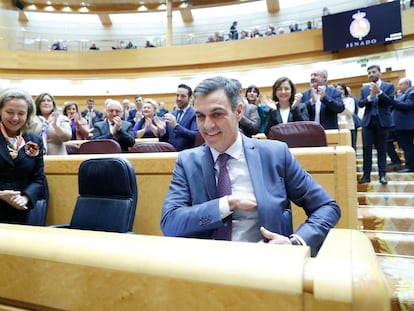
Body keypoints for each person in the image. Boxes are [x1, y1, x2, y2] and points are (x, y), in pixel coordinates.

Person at [160, 76, 341, 257]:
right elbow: (170, 223)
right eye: (200, 116)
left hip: (264, 267)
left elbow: (326, 207)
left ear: (238, 112)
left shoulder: (275, 154)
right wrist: (228, 203)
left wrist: (295, 242)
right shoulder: (187, 161)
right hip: (206, 269)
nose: (207, 125)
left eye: (217, 114)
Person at [0, 87, 47, 224]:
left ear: (28, 114)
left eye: (21, 113)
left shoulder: (34, 140)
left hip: (20, 214)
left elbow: (38, 179)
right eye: (9, 112)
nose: (15, 118)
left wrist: (26, 197)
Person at [358, 65, 395, 185]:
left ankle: (382, 175)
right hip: (368, 122)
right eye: (369, 73)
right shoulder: (364, 89)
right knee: (366, 149)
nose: (371, 75)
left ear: (380, 73)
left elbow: (390, 101)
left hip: (383, 122)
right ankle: (366, 175)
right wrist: (370, 97)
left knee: (382, 150)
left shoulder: (388, 86)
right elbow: (361, 104)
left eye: (373, 72)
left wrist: (379, 93)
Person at [159, 84, 199, 151]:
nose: (179, 98)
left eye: (183, 96)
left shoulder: (195, 114)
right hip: (170, 155)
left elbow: (195, 136)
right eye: (177, 95)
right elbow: (166, 139)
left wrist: (176, 126)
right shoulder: (172, 114)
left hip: (187, 155)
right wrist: (162, 131)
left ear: (190, 98)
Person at [391, 78, 414, 172]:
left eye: (401, 84)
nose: (398, 86)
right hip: (401, 126)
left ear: (407, 84)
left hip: (407, 126)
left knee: (408, 147)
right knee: (406, 147)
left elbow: (408, 105)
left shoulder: (412, 93)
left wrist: (392, 101)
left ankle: (410, 167)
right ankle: (409, 166)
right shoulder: (405, 94)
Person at [335, 82, 357, 150]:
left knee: (351, 148)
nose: (339, 91)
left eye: (341, 89)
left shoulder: (350, 100)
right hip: (337, 127)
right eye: (337, 89)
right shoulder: (333, 101)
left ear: (345, 90)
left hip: (349, 126)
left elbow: (350, 113)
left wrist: (341, 106)